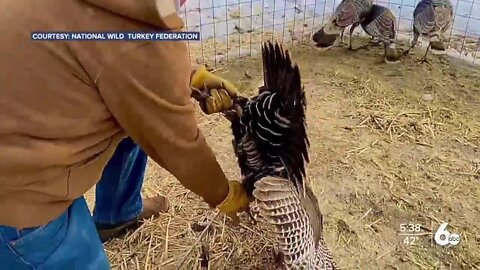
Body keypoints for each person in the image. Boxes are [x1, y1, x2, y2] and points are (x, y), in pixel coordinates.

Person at [0, 0, 249, 269]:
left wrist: (185, 77)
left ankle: (118, 214)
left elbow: (111, 54)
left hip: (21, 98)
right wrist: (225, 195)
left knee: (134, 118)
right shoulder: (144, 38)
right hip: (16, 193)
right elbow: (179, 145)